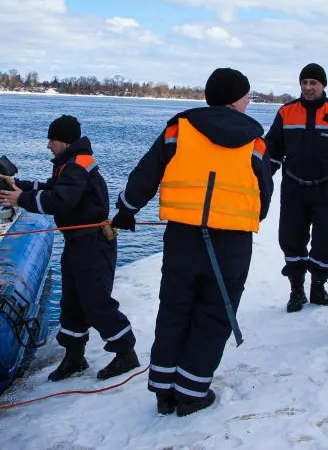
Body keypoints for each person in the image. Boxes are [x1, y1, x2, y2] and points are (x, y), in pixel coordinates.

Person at [111, 68, 273, 417]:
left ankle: (164, 391)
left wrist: (126, 209)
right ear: (235, 99)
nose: (249, 102)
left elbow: (147, 171)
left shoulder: (179, 128)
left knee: (175, 309)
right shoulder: (256, 140)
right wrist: (247, 219)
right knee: (214, 315)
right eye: (247, 96)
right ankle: (193, 393)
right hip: (231, 243)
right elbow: (264, 192)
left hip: (183, 237)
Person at [0, 115, 140, 382]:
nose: (48, 145)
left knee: (96, 301)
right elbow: (51, 188)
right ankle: (74, 357)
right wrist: (19, 185)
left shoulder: (78, 165)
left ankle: (126, 353)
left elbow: (61, 200)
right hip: (78, 243)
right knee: (72, 302)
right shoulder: (69, 164)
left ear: (64, 140)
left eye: (52, 140)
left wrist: (21, 199)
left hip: (92, 244)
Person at [264, 63, 328, 313]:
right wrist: (263, 176)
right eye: (304, 82)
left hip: (327, 188)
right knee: (291, 238)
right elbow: (272, 149)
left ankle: (318, 288)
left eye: (313, 83)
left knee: (324, 241)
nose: (308, 87)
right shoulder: (286, 112)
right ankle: (297, 291)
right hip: (294, 187)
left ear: (323, 85)